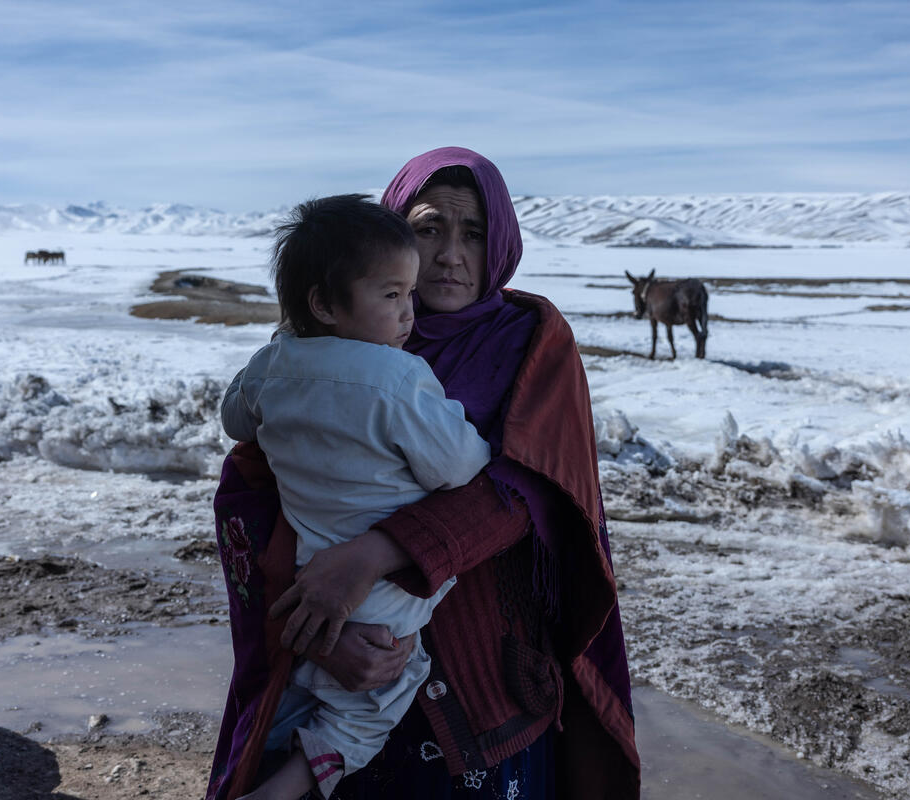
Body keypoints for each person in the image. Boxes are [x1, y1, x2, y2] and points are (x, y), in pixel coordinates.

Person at [208, 148, 641, 800]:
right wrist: (318, 631)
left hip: (488, 692)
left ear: (500, 244)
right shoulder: (332, 342)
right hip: (337, 675)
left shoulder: (530, 342)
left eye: (474, 233)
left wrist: (373, 557)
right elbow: (254, 500)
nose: (450, 254)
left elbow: (531, 492)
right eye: (429, 228)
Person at [221, 194, 492, 799]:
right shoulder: (400, 378)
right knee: (380, 696)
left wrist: (282, 357)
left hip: (306, 578)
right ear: (324, 301)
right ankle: (288, 786)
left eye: (409, 295)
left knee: (303, 690)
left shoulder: (271, 365)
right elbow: (462, 466)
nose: (408, 315)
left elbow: (236, 420)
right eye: (392, 296)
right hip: (391, 597)